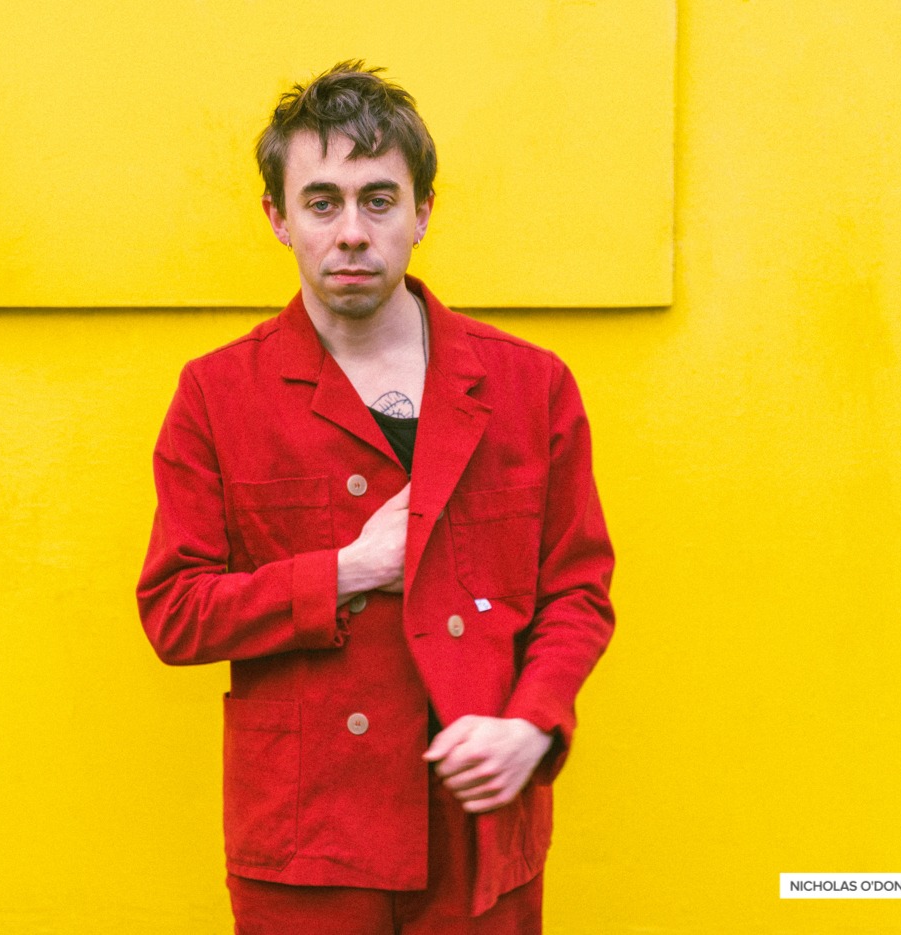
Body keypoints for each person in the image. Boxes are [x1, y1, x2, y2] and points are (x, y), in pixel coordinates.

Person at [136, 60, 615, 934]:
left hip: (478, 836)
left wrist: (532, 725)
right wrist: (347, 570)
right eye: (322, 202)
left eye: (379, 200)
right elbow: (175, 611)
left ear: (423, 212)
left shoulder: (530, 385)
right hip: (308, 839)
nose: (351, 232)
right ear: (279, 218)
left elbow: (577, 591)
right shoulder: (217, 394)